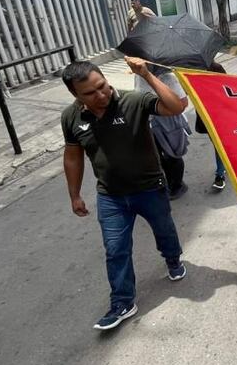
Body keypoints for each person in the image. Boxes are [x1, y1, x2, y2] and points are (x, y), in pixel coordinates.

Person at [60, 57, 187, 331]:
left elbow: (177, 106)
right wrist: (74, 194)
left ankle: (173, 258)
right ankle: (122, 301)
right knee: (115, 249)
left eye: (102, 86)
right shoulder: (71, 117)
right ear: (75, 95)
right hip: (111, 196)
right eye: (90, 93)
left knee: (164, 231)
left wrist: (147, 74)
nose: (101, 94)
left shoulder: (134, 101)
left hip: (150, 188)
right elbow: (72, 157)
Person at [134, 68, 192, 200]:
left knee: (172, 155)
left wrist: (160, 102)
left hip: (168, 122)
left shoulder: (168, 78)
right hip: (148, 123)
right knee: (157, 156)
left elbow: (183, 103)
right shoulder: (138, 77)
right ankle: (170, 182)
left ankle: (178, 185)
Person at [195, 58, 230, 191]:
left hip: (221, 116)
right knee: (219, 145)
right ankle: (224, 166)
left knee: (219, 145)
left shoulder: (216, 67)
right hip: (205, 116)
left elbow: (227, 87)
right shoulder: (190, 73)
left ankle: (220, 175)